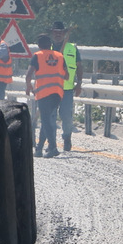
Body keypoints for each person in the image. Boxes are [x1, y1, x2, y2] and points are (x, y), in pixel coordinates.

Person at [27, 33, 67, 157]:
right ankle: (39, 149)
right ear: (50, 45)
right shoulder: (60, 56)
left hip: (43, 93)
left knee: (45, 120)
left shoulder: (37, 56)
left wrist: (29, 86)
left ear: (39, 45)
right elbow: (67, 76)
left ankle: (53, 147)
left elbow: (29, 74)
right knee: (46, 120)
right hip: (57, 93)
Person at [53, 20, 79, 152]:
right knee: (50, 115)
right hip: (50, 89)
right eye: (55, 32)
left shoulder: (72, 48)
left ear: (64, 33)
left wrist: (79, 83)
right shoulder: (47, 48)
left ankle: (67, 137)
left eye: (60, 32)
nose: (58, 35)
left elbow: (79, 66)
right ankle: (51, 142)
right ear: (52, 33)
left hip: (67, 89)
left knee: (66, 116)